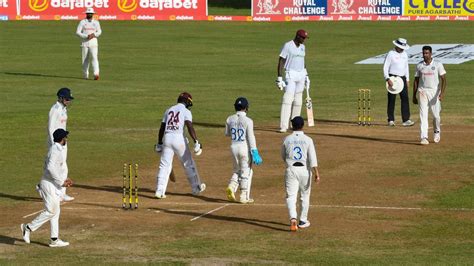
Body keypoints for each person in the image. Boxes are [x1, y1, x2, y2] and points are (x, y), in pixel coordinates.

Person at [21, 129, 74, 247]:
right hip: (48, 184)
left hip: (52, 184)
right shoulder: (55, 150)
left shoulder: (58, 149)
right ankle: (28, 227)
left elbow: (56, 167)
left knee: (56, 212)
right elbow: (50, 168)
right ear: (62, 139)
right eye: (65, 137)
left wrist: (64, 179)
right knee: (51, 211)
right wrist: (61, 181)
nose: (67, 139)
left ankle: (54, 239)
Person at [154, 92, 206, 198]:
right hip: (179, 139)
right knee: (188, 164)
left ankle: (159, 191)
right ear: (187, 102)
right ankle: (196, 188)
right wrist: (196, 141)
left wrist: (159, 142)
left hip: (167, 138)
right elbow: (190, 126)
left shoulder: (168, 110)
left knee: (164, 165)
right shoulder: (186, 111)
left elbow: (162, 127)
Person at [281, 116, 320, 232]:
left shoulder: (287, 139)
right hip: (304, 170)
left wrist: (289, 164)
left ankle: (293, 218)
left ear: (292, 126)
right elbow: (312, 159)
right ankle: (303, 221)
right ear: (302, 126)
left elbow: (283, 156)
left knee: (291, 197)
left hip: (291, 169)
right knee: (304, 196)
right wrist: (317, 173)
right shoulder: (308, 140)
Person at [224, 97, 263, 204]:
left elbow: (227, 134)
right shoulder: (248, 121)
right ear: (246, 108)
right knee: (246, 172)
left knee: (237, 170)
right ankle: (243, 196)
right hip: (244, 148)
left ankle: (231, 187)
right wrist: (254, 151)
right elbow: (251, 137)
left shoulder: (229, 119)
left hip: (233, 147)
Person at [276, 29, 310, 133]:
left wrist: (306, 75)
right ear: (298, 36)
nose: (304, 40)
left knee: (298, 101)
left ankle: (295, 124)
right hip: (290, 73)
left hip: (301, 74)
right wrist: (279, 78)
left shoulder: (303, 47)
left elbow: (303, 62)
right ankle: (283, 126)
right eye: (303, 38)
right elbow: (281, 60)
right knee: (287, 99)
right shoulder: (288, 45)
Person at [413, 46, 447, 145]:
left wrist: (442, 93)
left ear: (431, 54)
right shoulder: (419, 65)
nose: (425, 55)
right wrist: (414, 95)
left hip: (434, 92)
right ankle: (424, 137)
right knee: (423, 115)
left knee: (436, 116)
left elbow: (444, 79)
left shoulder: (437, 64)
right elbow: (416, 80)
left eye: (427, 53)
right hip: (422, 91)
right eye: (423, 53)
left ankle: (436, 131)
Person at [48, 87, 74, 202]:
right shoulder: (55, 110)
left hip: (63, 141)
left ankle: (61, 194)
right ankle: (45, 187)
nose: (69, 101)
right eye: (67, 99)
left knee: (63, 167)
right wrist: (54, 144)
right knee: (57, 168)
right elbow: (50, 128)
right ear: (61, 98)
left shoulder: (63, 109)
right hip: (56, 143)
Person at [383, 38, 415, 127]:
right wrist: (387, 79)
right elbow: (385, 67)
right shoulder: (391, 53)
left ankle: (406, 119)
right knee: (391, 99)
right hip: (392, 78)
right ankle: (391, 119)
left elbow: (406, 67)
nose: (402, 49)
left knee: (405, 98)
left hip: (402, 79)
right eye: (401, 47)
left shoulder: (405, 54)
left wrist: (407, 79)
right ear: (397, 46)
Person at [76, 7, 102, 80]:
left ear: (93, 14)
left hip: (93, 42)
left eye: (91, 13)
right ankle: (85, 75)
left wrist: (93, 35)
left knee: (94, 57)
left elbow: (99, 31)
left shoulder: (96, 22)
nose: (89, 14)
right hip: (85, 42)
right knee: (85, 59)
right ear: (86, 14)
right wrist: (86, 36)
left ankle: (96, 74)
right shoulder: (82, 22)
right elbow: (77, 32)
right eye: (88, 13)